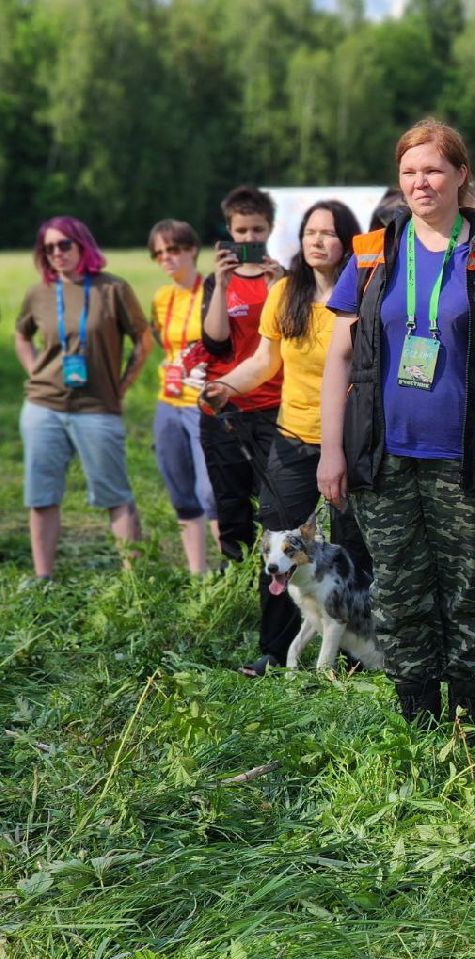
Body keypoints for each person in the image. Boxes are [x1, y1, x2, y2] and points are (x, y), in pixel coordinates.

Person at [317, 119, 475, 724]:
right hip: (385, 456)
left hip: (468, 456)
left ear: (461, 175)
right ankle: (418, 716)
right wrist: (332, 451)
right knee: (400, 592)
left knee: (469, 593)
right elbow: (339, 357)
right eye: (409, 172)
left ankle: (467, 717)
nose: (420, 183)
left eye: (433, 169)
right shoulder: (374, 252)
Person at [203, 200, 370, 576]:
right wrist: (225, 386)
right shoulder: (284, 292)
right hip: (293, 438)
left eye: (328, 233)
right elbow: (264, 361)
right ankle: (278, 637)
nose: (317, 241)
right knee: (279, 545)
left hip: (353, 441)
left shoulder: (365, 294)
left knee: (351, 553)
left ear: (347, 241)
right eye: (310, 233)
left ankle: (350, 633)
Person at [14, 216, 152, 580]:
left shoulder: (112, 289)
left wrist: (122, 386)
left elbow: (143, 340)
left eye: (64, 245)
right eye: (48, 248)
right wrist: (35, 371)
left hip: (97, 408)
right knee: (42, 496)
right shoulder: (39, 292)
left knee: (115, 494)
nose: (56, 253)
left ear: (81, 244)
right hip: (43, 407)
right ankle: (42, 579)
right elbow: (22, 335)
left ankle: (133, 583)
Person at [198, 185, 297, 677]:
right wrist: (218, 283)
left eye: (258, 230)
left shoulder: (284, 280)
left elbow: (284, 337)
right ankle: (227, 581)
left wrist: (282, 284)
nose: (250, 239)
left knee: (274, 507)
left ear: (270, 230)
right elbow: (214, 341)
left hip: (278, 407)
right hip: (231, 407)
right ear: (229, 233)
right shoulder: (219, 281)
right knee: (231, 504)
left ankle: (278, 595)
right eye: (241, 232)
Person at [147, 219, 220, 574]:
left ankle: (230, 569)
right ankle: (198, 572)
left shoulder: (213, 288)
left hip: (203, 404)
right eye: (159, 252)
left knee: (211, 491)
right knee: (179, 488)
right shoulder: (161, 298)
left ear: (192, 249)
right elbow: (164, 343)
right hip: (168, 401)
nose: (166, 258)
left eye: (173, 249)